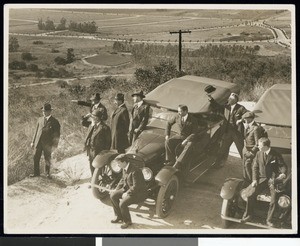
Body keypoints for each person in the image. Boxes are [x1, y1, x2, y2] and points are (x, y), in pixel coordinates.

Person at [242, 137, 287, 227]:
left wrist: (283, 173)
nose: (257, 146)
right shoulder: (258, 153)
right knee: (250, 195)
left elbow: (283, 166)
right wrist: (254, 180)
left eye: (259, 145)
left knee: (274, 200)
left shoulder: (276, 154)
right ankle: (249, 215)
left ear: (266, 146)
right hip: (261, 179)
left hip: (273, 180)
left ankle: (269, 220)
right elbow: (255, 167)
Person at [208, 92, 248, 167]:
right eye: (229, 98)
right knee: (222, 149)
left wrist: (241, 120)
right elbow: (217, 106)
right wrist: (210, 98)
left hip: (237, 133)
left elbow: (248, 114)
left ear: (235, 100)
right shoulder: (226, 107)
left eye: (230, 98)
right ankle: (217, 164)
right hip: (227, 132)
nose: (228, 99)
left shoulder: (241, 108)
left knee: (241, 151)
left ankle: (247, 167)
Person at [110, 154, 147, 229]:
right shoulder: (124, 168)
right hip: (128, 189)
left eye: (119, 163)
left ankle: (127, 221)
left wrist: (127, 193)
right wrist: (116, 189)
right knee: (113, 196)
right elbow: (123, 180)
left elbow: (136, 187)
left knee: (122, 203)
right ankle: (119, 216)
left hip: (138, 193)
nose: (118, 165)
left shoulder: (135, 171)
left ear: (124, 162)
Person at [30, 103, 60, 179]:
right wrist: (33, 141)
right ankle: (36, 173)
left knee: (47, 158)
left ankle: (47, 174)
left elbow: (57, 135)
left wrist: (54, 146)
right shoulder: (39, 119)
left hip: (48, 144)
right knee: (36, 157)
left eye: (45, 111)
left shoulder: (55, 121)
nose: (44, 112)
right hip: (38, 142)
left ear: (50, 111)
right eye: (43, 111)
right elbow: (36, 131)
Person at [84, 108, 111, 178]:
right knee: (91, 165)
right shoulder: (92, 126)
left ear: (97, 118)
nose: (92, 118)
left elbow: (108, 142)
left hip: (100, 151)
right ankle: (93, 180)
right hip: (91, 150)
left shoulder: (105, 128)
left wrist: (104, 153)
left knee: (99, 168)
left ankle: (101, 181)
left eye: (93, 117)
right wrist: (85, 117)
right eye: (92, 117)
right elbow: (83, 123)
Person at [242, 111, 265, 182]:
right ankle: (245, 180)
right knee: (244, 166)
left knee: (248, 165)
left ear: (251, 119)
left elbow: (257, 143)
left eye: (246, 119)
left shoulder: (255, 128)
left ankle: (251, 181)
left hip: (252, 150)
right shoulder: (247, 125)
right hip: (245, 149)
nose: (244, 120)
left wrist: (252, 152)